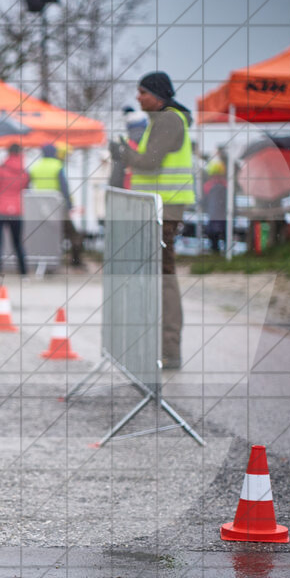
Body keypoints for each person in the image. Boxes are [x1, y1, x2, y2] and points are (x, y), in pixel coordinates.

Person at [114, 71, 195, 370]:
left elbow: (150, 162)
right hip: (158, 210)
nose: (138, 97)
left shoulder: (169, 120)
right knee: (158, 278)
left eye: (142, 92)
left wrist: (124, 153)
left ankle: (169, 350)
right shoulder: (162, 121)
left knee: (164, 279)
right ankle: (159, 347)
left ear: (158, 95)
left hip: (165, 211)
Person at [28, 143, 84, 268]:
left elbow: (28, 186)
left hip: (40, 209)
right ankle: (76, 262)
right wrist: (70, 206)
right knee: (74, 235)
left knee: (46, 236)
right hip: (57, 208)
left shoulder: (35, 167)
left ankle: (44, 263)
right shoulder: (57, 166)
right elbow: (64, 188)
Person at [0, 143, 30, 279]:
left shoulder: (0, 169)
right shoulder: (24, 172)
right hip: (17, 212)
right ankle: (24, 272)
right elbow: (25, 186)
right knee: (18, 243)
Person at [203, 158, 227, 254]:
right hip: (223, 214)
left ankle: (215, 249)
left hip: (213, 215)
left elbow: (205, 200)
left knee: (212, 233)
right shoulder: (225, 184)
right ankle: (223, 250)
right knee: (224, 233)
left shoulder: (208, 185)